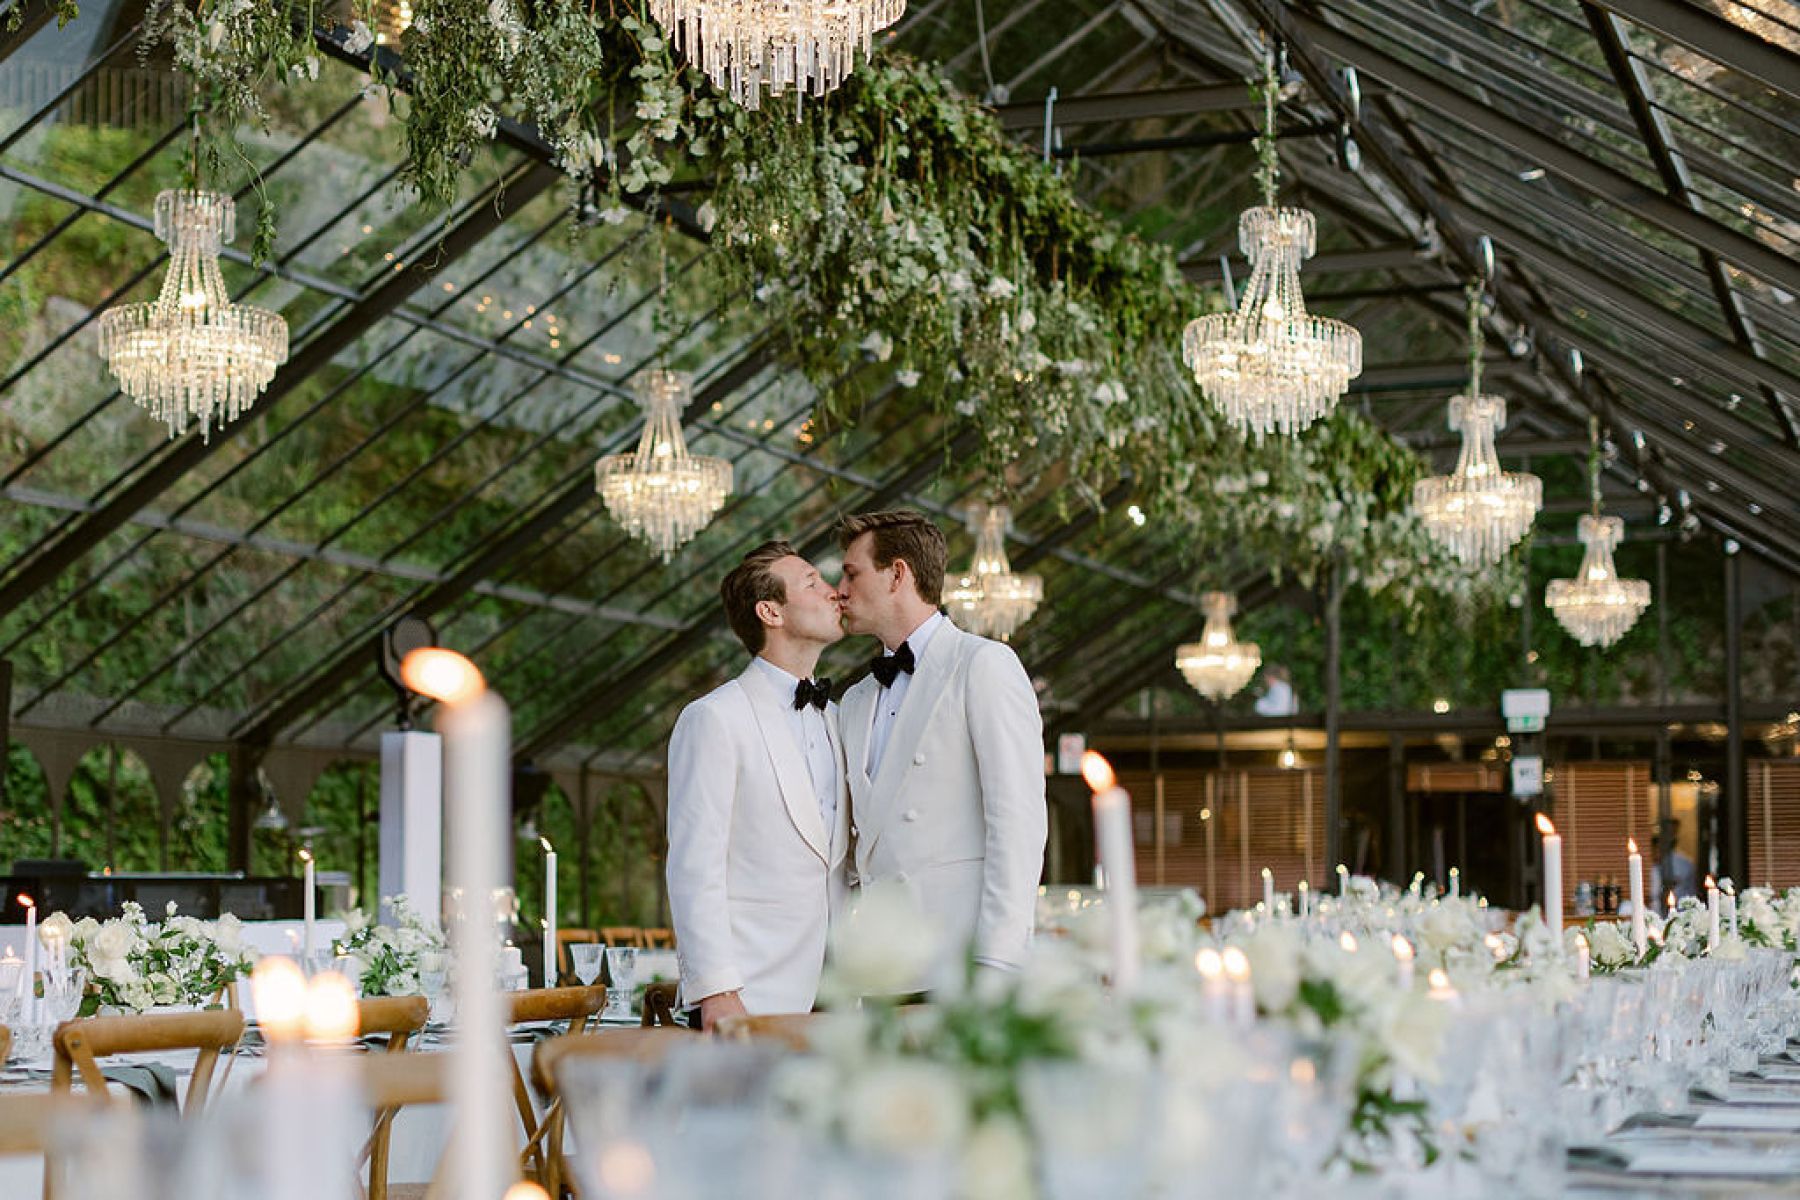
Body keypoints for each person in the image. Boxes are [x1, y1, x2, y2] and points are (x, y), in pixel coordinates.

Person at [834, 510, 1047, 991]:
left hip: (960, 965)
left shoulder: (984, 665)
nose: (839, 591)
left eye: (851, 573)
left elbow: (1017, 824)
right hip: (878, 974)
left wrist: (997, 961)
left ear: (897, 574)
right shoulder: (854, 701)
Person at [665, 540, 852, 1030]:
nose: (835, 593)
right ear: (770, 611)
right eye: (813, 582)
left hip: (840, 998)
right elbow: (693, 868)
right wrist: (717, 990)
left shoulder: (839, 719)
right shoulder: (714, 718)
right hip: (753, 995)